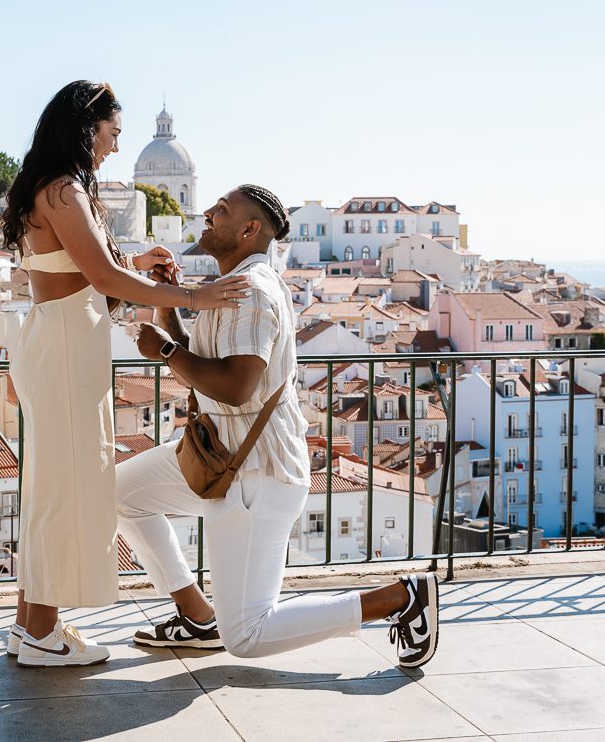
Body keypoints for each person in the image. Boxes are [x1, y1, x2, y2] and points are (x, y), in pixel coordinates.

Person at [117, 185, 439, 668]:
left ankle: (401, 597)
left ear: (249, 230)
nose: (206, 212)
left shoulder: (252, 291)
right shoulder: (233, 285)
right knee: (121, 493)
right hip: (218, 454)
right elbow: (203, 364)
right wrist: (169, 310)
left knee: (246, 636)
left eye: (220, 211)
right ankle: (196, 615)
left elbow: (237, 386)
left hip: (255, 473)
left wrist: (164, 350)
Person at [0, 81, 250, 668]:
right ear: (86, 128)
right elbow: (104, 282)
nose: (114, 149)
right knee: (65, 489)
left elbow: (84, 269)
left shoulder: (51, 186)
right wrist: (195, 294)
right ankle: (41, 633)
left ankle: (30, 626)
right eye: (111, 135)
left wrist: (134, 263)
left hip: (58, 338)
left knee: (52, 487)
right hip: (66, 345)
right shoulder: (64, 190)